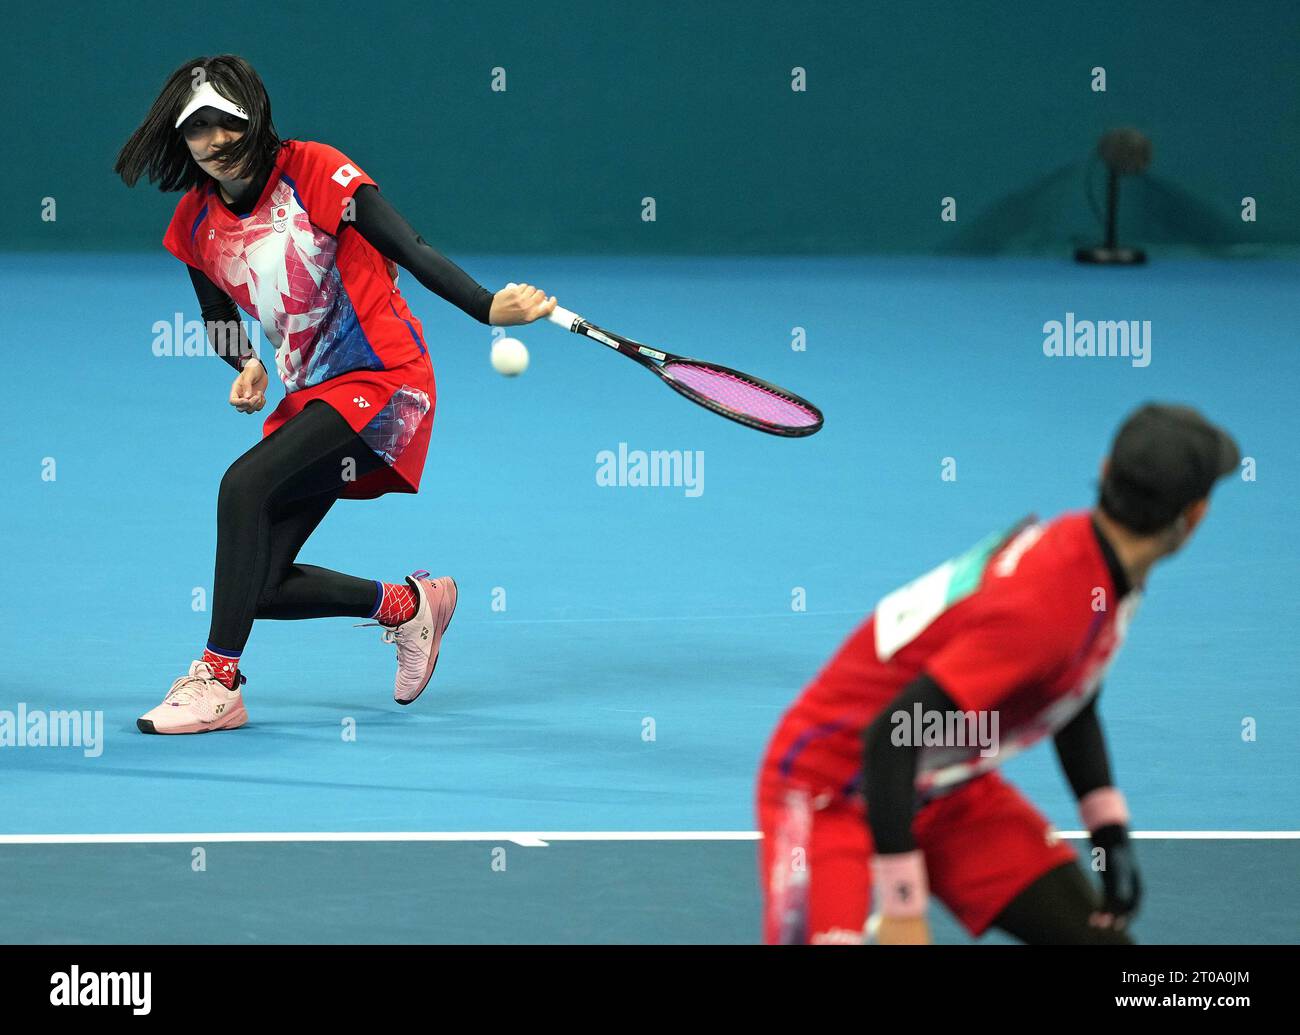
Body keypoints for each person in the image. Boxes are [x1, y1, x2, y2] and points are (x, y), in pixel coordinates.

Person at [114, 54, 558, 734]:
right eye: (197, 130)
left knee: (242, 485)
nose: (215, 143)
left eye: (226, 124)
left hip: (386, 380)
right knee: (255, 585)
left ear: (254, 118)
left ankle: (218, 681)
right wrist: (244, 363)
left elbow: (409, 246)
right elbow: (217, 315)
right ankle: (410, 607)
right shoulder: (195, 221)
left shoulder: (315, 171)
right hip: (317, 396)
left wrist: (487, 305)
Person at [756, 403, 1240, 944]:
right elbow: (890, 737)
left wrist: (1110, 835)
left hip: (942, 787)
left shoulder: (1101, 564)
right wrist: (901, 906)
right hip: (830, 786)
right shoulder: (1051, 605)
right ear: (1193, 515)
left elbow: (1072, 698)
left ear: (1106, 474)